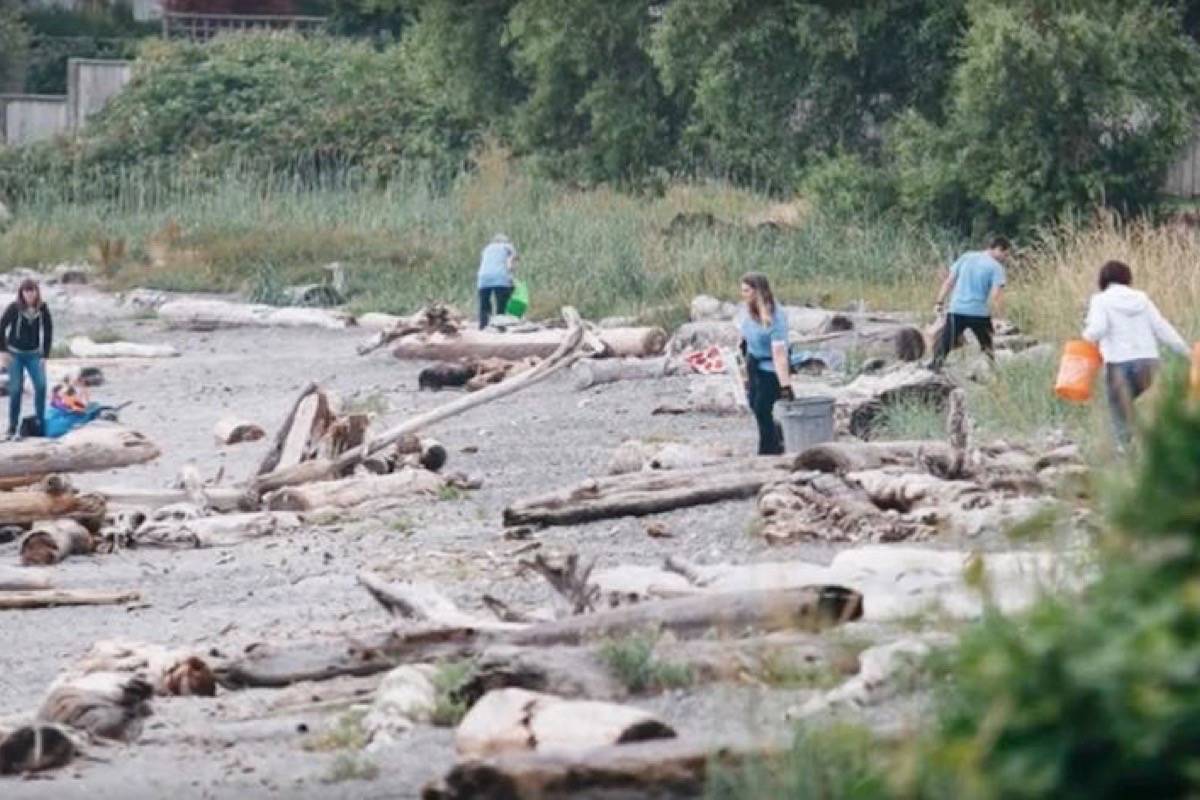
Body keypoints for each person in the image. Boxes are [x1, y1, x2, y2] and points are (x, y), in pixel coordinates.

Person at [1082, 259, 1188, 444]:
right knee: (1146, 403)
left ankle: (1125, 449)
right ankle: (1156, 443)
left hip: (1119, 363)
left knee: (1118, 407)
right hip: (1149, 362)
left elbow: (1097, 329)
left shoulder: (1100, 300)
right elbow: (1162, 328)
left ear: (1103, 280)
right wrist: (1186, 351)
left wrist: (1084, 337)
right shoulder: (1142, 299)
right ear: (1127, 278)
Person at [929, 236, 1011, 370]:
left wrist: (939, 302)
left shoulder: (966, 257)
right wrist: (1001, 317)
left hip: (956, 310)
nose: (1005, 258)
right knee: (987, 345)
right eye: (1005, 254)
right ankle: (993, 371)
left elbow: (949, 281)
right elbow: (996, 296)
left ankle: (935, 367)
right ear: (998, 249)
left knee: (945, 343)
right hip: (978, 313)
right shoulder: (996, 268)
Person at [737, 272, 793, 455]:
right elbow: (743, 333)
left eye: (746, 291)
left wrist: (786, 385)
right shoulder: (746, 310)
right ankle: (777, 435)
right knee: (754, 404)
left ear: (757, 292)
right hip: (754, 362)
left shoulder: (776, 318)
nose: (742, 294)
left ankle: (769, 450)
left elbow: (780, 354)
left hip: (772, 367)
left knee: (762, 408)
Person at [0, 278, 52, 441]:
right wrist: (3, 350)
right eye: (26, 292)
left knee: (41, 386)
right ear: (22, 293)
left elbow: (48, 330)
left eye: (32, 291)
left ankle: (39, 422)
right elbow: (1, 327)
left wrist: (45, 355)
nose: (29, 295)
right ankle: (12, 427)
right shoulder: (14, 308)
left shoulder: (42, 308)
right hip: (15, 354)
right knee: (15, 390)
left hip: (33, 354)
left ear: (37, 292)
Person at [476, 233, 517, 329]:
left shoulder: (486, 249)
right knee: (501, 304)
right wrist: (511, 277)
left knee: (484, 303)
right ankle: (500, 326)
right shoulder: (508, 247)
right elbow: (510, 264)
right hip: (500, 277)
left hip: (483, 277)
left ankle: (483, 326)